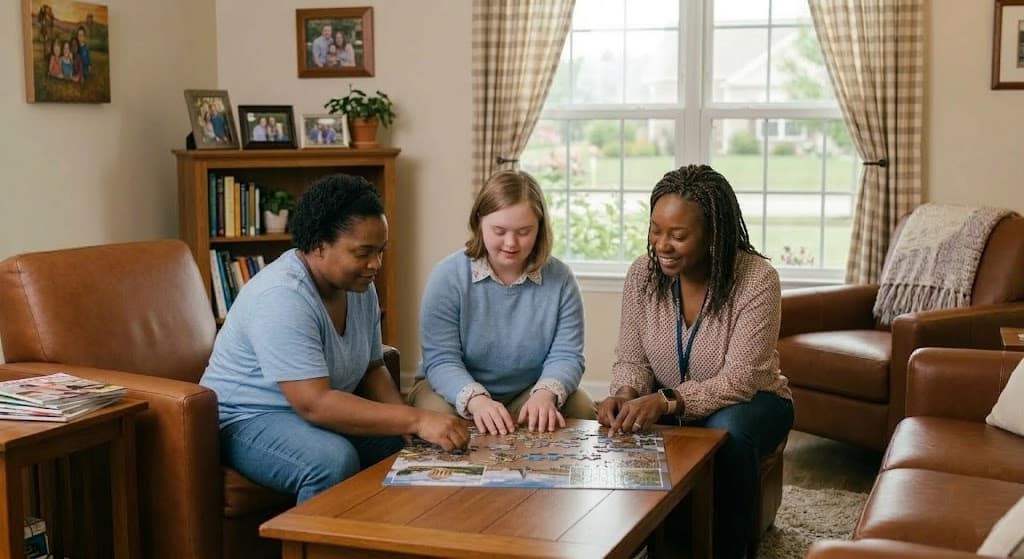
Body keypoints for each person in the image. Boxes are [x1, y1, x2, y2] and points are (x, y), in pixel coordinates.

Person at [200, 174, 469, 502]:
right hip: (246, 419)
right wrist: (418, 417)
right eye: (362, 252)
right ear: (318, 245)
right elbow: (314, 403)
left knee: (403, 445)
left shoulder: (360, 286)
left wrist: (407, 426)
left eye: (380, 251)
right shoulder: (281, 296)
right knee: (331, 460)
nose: (375, 264)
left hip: (308, 412)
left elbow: (372, 367)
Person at [596, 164, 793, 559]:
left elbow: (740, 379)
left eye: (678, 235)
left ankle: (729, 551)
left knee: (729, 431)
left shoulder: (757, 280)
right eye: (655, 229)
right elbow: (631, 358)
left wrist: (667, 402)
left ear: (713, 235)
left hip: (751, 402)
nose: (661, 244)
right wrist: (625, 393)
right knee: (622, 428)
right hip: (670, 402)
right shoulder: (642, 275)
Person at [411, 170, 596, 435]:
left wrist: (544, 394)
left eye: (524, 232)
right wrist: (477, 401)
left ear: (540, 228)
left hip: (526, 393)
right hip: (450, 392)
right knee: (438, 415)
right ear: (479, 223)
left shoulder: (561, 279)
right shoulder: (447, 276)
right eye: (499, 231)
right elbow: (441, 359)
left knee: (581, 407)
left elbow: (567, 355)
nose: (511, 243)